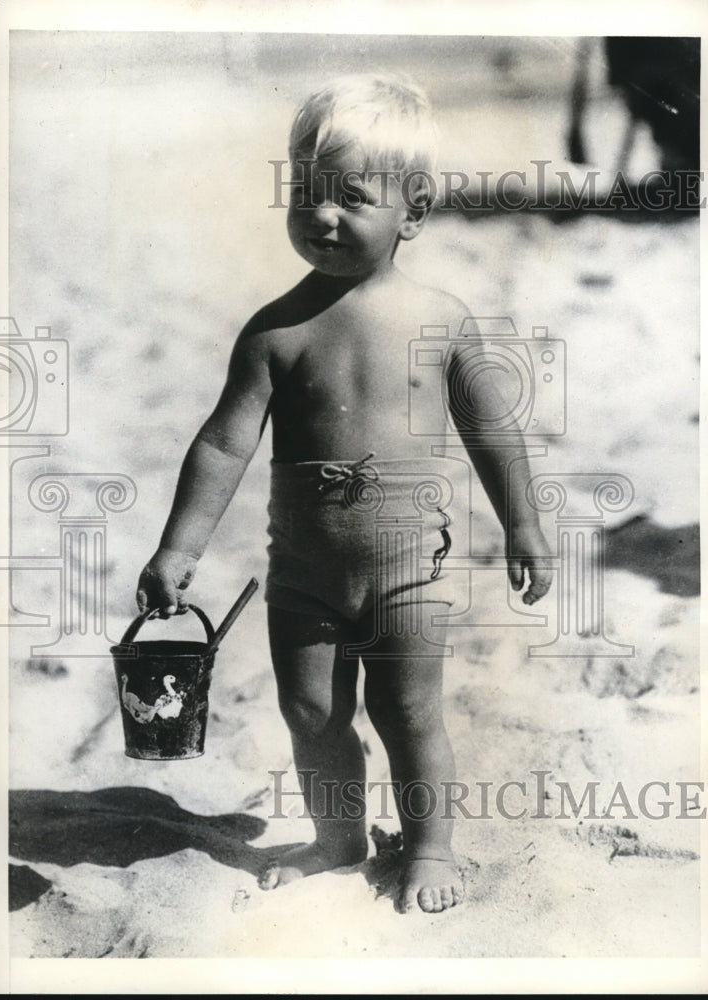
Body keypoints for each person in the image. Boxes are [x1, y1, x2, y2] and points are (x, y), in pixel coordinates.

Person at [136, 73, 553, 914]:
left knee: (408, 712)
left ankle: (430, 848)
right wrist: (176, 548)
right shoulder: (274, 331)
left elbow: (492, 433)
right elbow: (223, 443)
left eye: (351, 198)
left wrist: (524, 527)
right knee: (310, 710)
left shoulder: (440, 318)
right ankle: (338, 839)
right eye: (305, 194)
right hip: (302, 570)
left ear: (416, 212)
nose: (321, 216)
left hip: (409, 567)